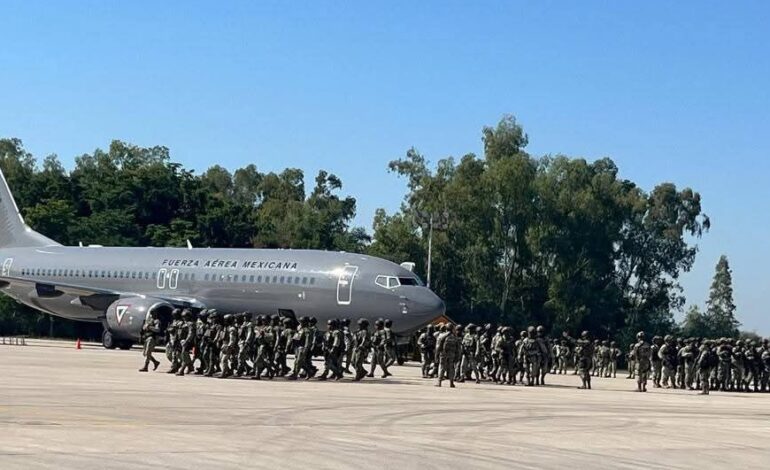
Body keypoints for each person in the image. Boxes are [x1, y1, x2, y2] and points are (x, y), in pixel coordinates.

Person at [176, 309, 195, 376]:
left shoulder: (190, 324)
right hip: (181, 341)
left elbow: (191, 333)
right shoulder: (182, 323)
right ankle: (190, 366)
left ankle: (182, 370)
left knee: (184, 355)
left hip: (187, 342)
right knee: (179, 354)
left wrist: (186, 341)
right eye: (183, 316)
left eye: (185, 316)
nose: (184, 318)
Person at [165, 308, 182, 374]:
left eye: (175, 315)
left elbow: (176, 330)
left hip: (176, 340)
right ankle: (177, 364)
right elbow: (169, 329)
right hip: (171, 339)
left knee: (175, 354)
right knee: (168, 354)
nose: (174, 316)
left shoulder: (181, 322)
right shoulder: (173, 321)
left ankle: (174, 367)